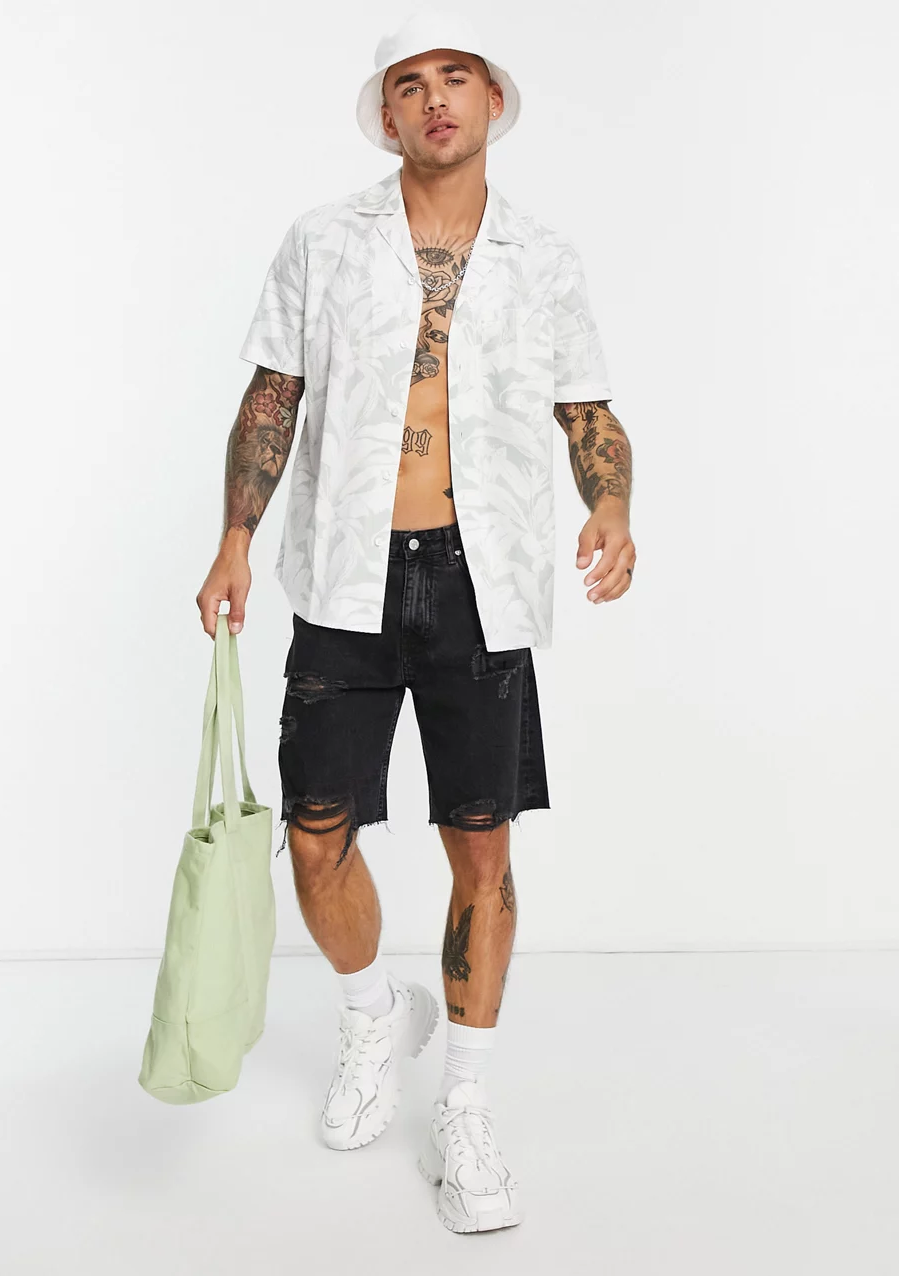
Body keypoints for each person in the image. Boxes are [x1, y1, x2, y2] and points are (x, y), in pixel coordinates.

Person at [195, 8, 635, 1234]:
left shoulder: (543, 259)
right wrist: (235, 538)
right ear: (385, 116)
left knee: (480, 845)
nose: (434, 98)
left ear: (492, 100)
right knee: (315, 834)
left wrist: (611, 504)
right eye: (409, 83)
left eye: (456, 76)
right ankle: (369, 1020)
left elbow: (587, 411)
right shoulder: (323, 242)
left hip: (480, 581)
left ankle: (468, 1104)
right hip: (344, 575)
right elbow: (272, 394)